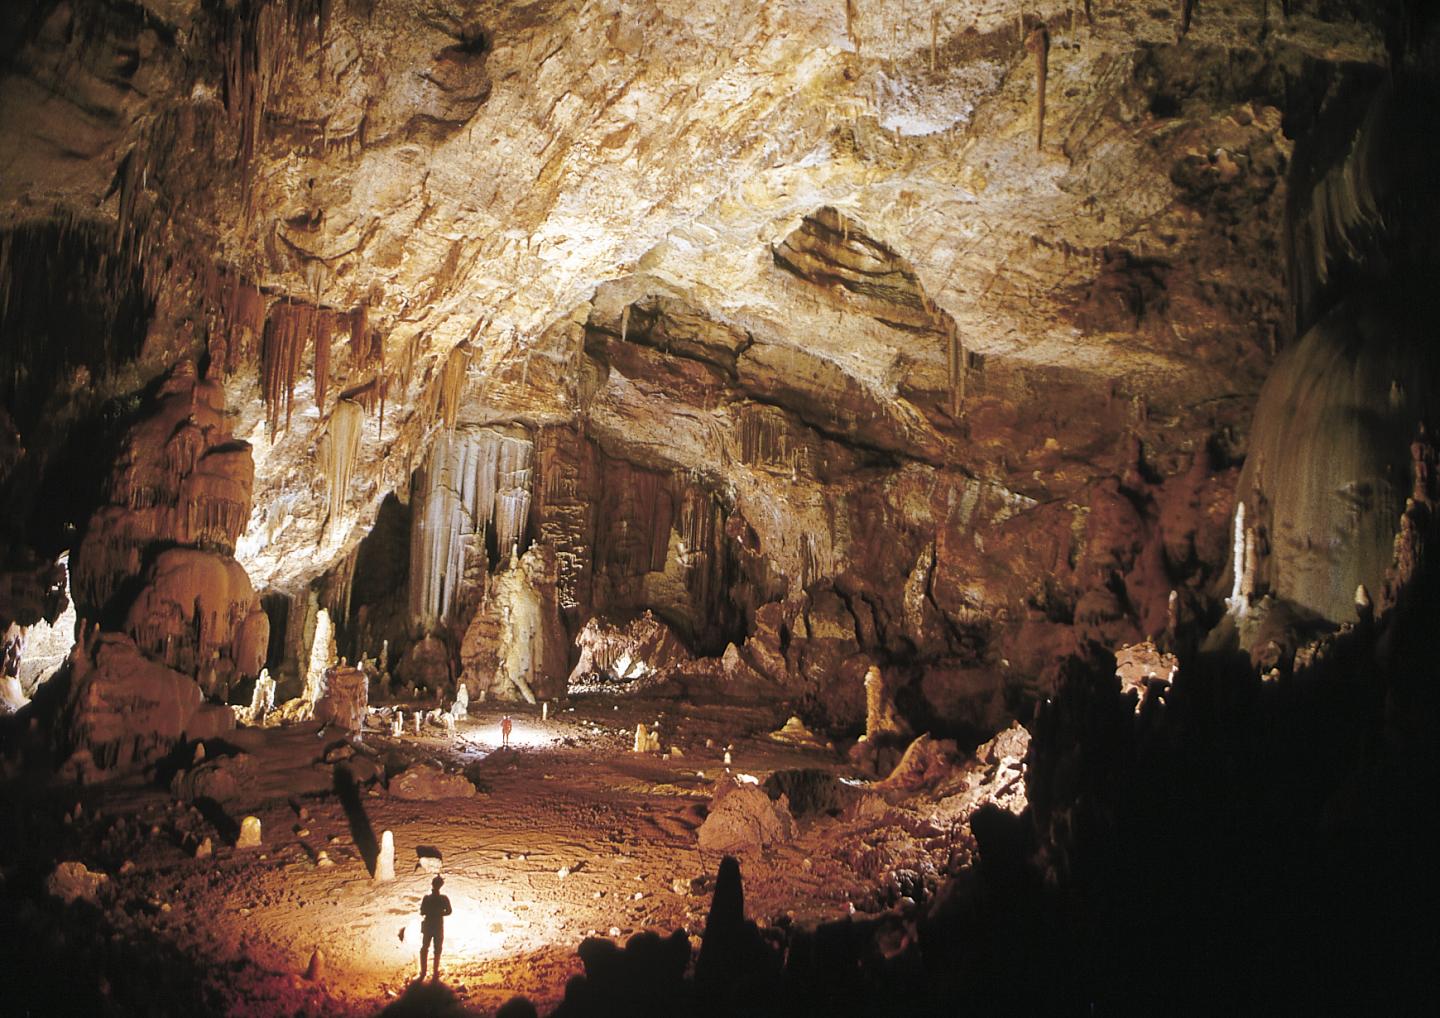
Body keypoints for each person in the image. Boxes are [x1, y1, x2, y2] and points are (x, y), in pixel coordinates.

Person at [419, 875, 452, 980]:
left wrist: (431, 912)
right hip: (438, 925)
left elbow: (422, 911)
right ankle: (435, 972)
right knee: (437, 949)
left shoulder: (427, 898)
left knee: (425, 948)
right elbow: (449, 911)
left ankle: (423, 971)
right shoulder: (443, 898)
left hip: (428, 925)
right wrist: (439, 913)